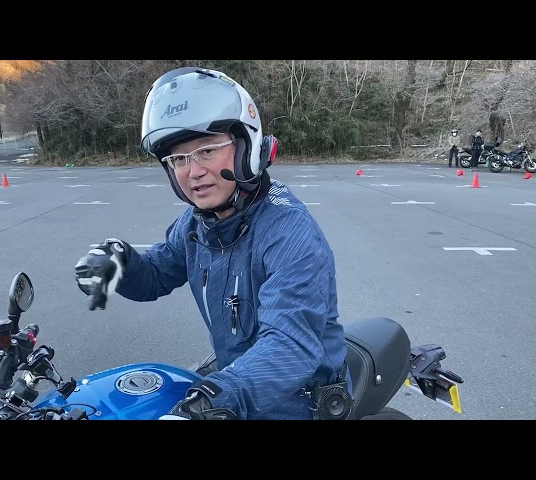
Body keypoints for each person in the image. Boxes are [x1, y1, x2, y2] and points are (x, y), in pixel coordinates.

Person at [73, 67, 353, 420]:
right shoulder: (198, 224)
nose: (193, 171)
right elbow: (157, 274)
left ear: (246, 148)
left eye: (206, 151)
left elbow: (290, 345)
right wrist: (122, 261)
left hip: (299, 401)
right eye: (179, 159)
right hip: (236, 383)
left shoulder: (289, 232)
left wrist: (212, 399)